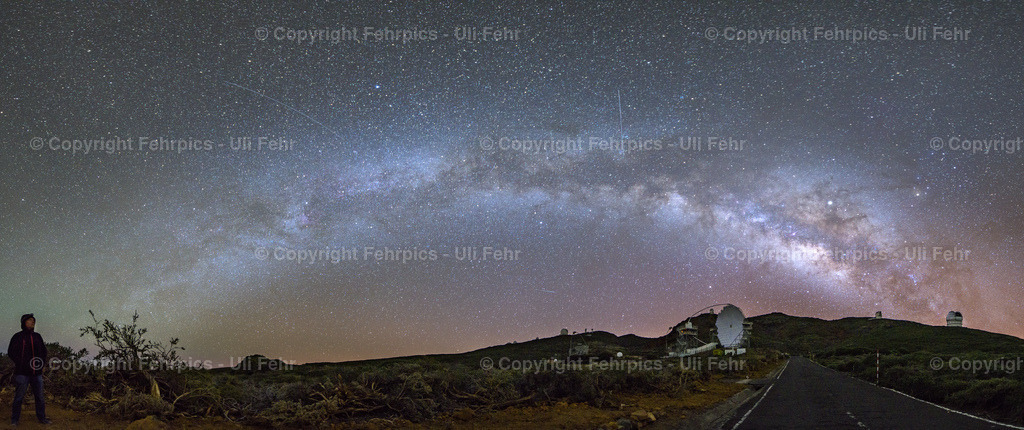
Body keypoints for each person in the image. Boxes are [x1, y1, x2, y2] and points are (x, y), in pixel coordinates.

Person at [7, 314, 51, 425]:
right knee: (19, 397)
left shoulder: (37, 336)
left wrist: (41, 365)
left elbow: (43, 352)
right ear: (24, 322)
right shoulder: (17, 336)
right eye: (30, 320)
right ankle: (14, 420)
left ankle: (42, 418)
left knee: (40, 397)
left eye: (33, 321)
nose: (32, 322)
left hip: (37, 373)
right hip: (22, 373)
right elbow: (11, 352)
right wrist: (20, 363)